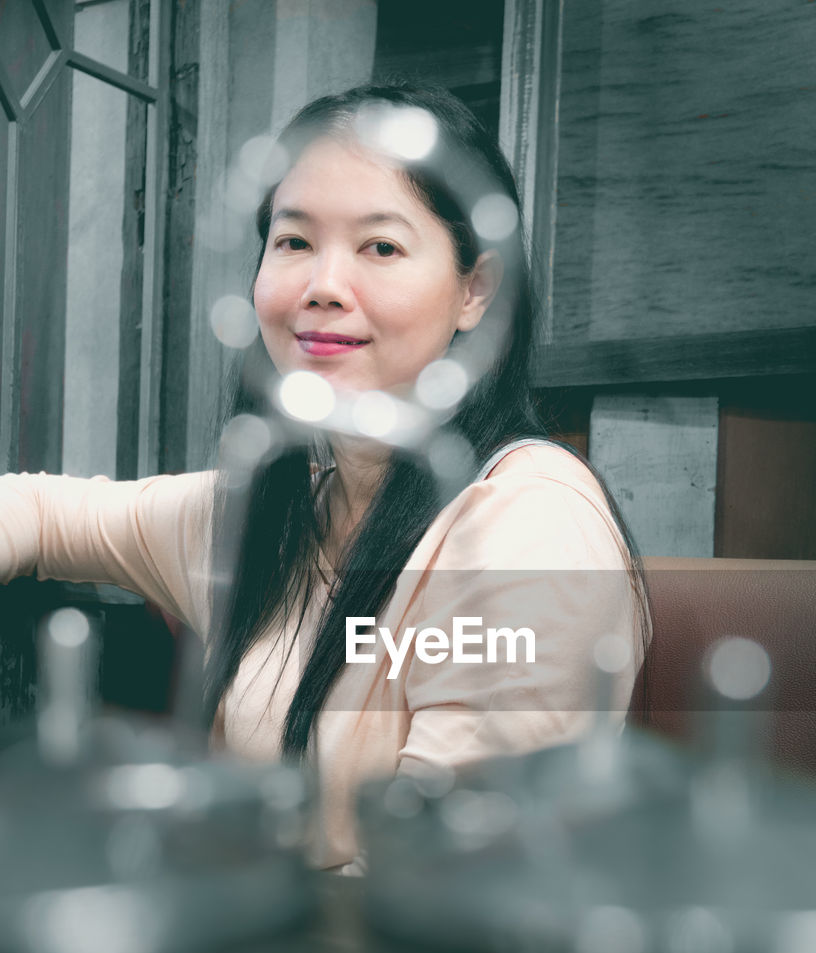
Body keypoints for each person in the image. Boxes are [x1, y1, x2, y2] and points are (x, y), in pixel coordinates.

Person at [0, 82, 650, 868]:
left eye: (380, 247)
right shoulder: (270, 517)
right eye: (294, 242)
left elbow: (440, 886)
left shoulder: (525, 525)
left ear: (475, 291)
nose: (322, 287)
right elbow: (36, 510)